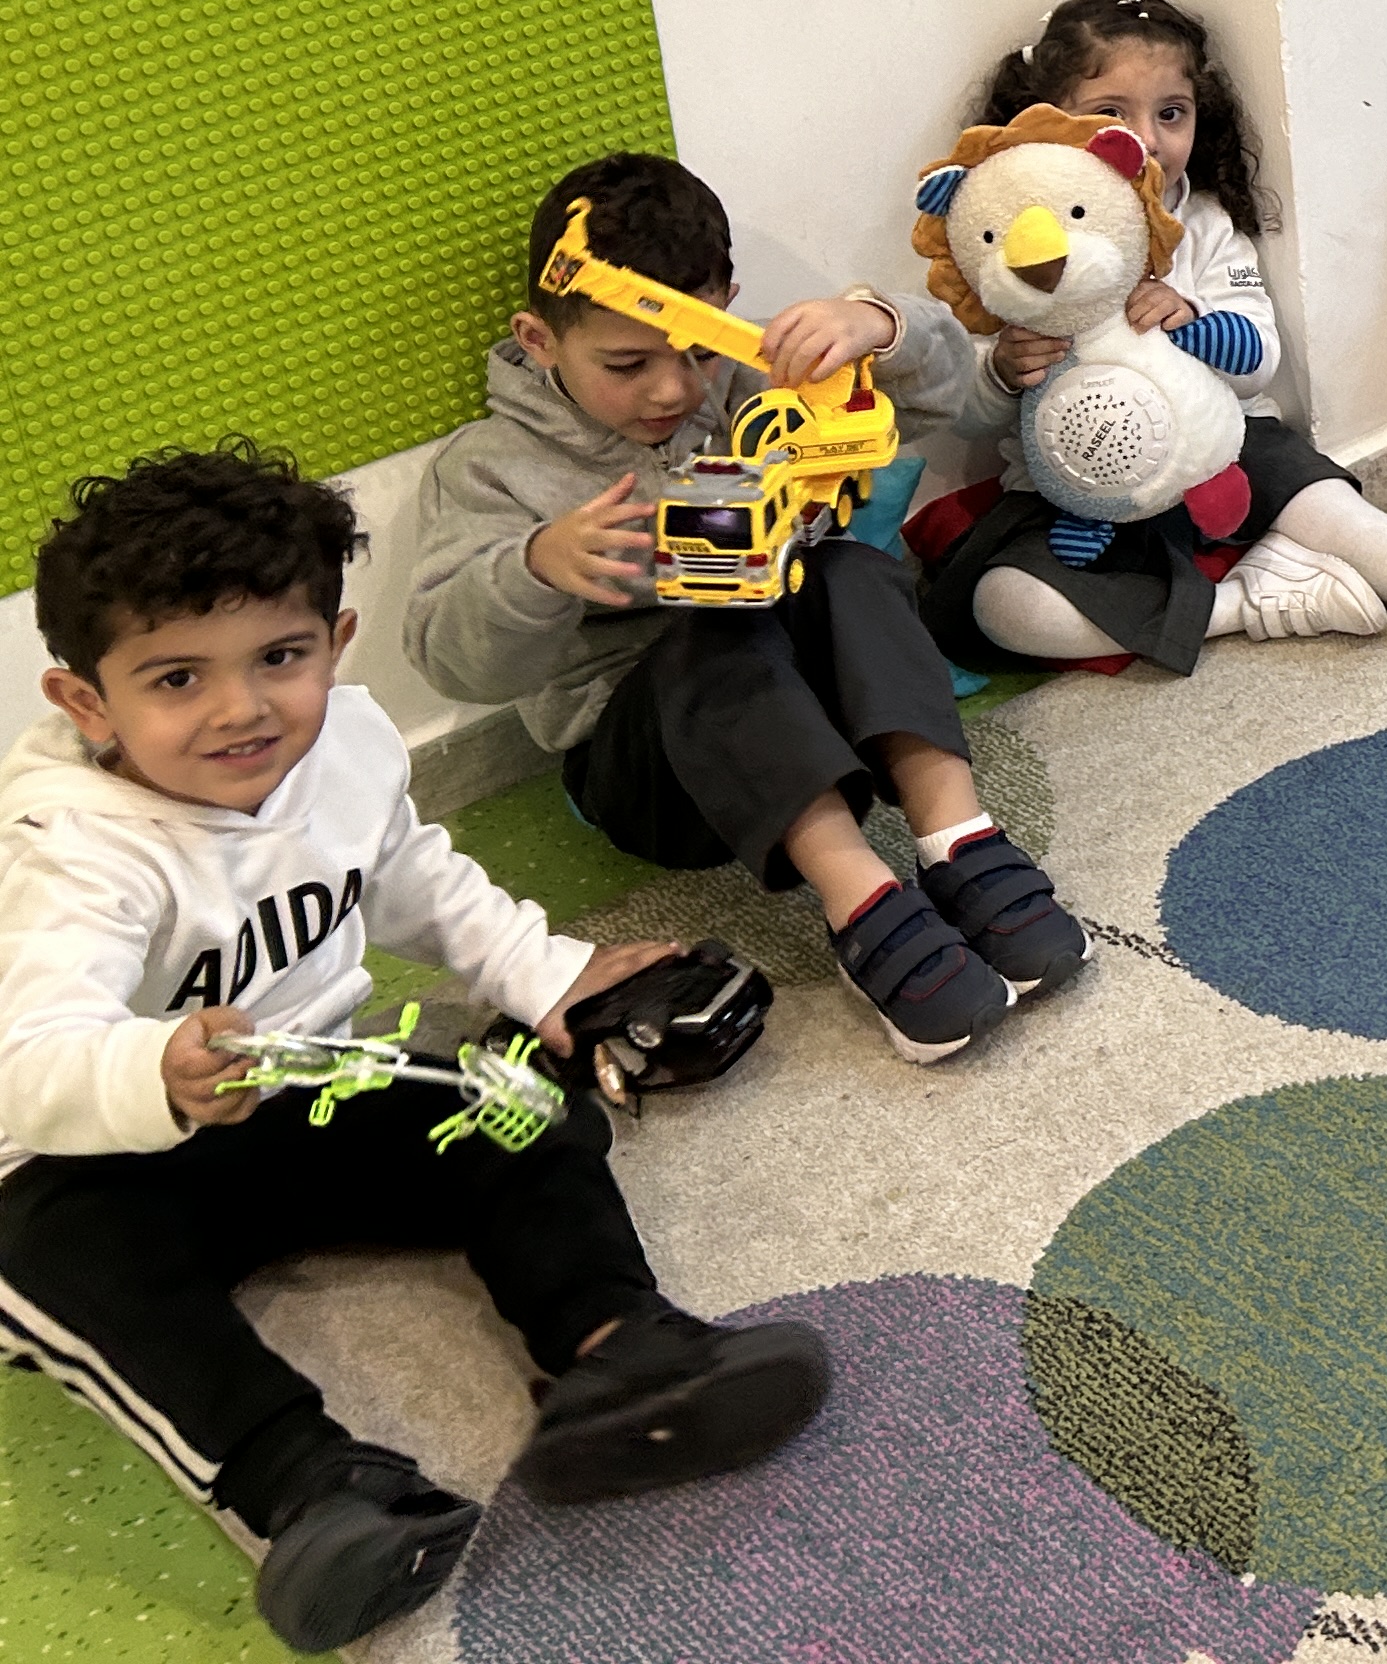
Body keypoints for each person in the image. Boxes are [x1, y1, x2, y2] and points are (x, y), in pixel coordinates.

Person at [0, 446, 828, 1654]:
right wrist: (152, 1073)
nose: (240, 709)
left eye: (279, 658)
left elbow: (410, 878)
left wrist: (548, 975)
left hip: (300, 1085)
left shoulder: (345, 743)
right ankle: (310, 1489)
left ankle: (618, 1352)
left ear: (336, 645)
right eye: (177, 678)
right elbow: (28, 1055)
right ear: (88, 704)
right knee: (48, 1265)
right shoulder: (69, 851)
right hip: (84, 1161)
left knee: (520, 1109)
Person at [409, 153, 1083, 1063]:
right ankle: (861, 902)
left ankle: (957, 835)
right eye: (627, 363)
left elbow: (942, 393)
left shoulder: (754, 375)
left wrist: (877, 324)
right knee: (718, 623)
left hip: (817, 726)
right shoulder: (490, 468)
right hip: (654, 774)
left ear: (726, 305)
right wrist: (537, 568)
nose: (672, 390)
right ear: (539, 341)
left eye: (697, 349)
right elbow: (452, 659)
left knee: (848, 569)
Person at [923, 0, 1387, 711]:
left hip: (1224, 448)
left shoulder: (1203, 224)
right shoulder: (1005, 238)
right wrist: (1001, 371)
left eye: (1171, 113)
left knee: (1349, 524)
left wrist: (1189, 318)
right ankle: (1247, 603)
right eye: (1111, 113)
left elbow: (1257, 363)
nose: (1148, 139)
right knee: (1003, 607)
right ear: (1045, 120)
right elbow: (970, 414)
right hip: (1080, 492)